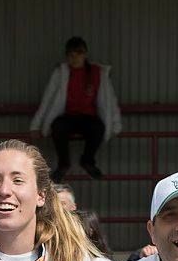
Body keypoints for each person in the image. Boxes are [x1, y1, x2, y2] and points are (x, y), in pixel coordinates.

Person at [30, 37, 122, 180]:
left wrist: (116, 125)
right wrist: (36, 125)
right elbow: (47, 99)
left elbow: (110, 101)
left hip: (88, 118)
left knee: (98, 128)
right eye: (71, 55)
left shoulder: (98, 73)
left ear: (85, 54)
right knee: (58, 126)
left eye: (78, 54)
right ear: (67, 56)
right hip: (68, 116)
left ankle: (88, 160)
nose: (75, 58)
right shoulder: (61, 72)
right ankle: (63, 163)